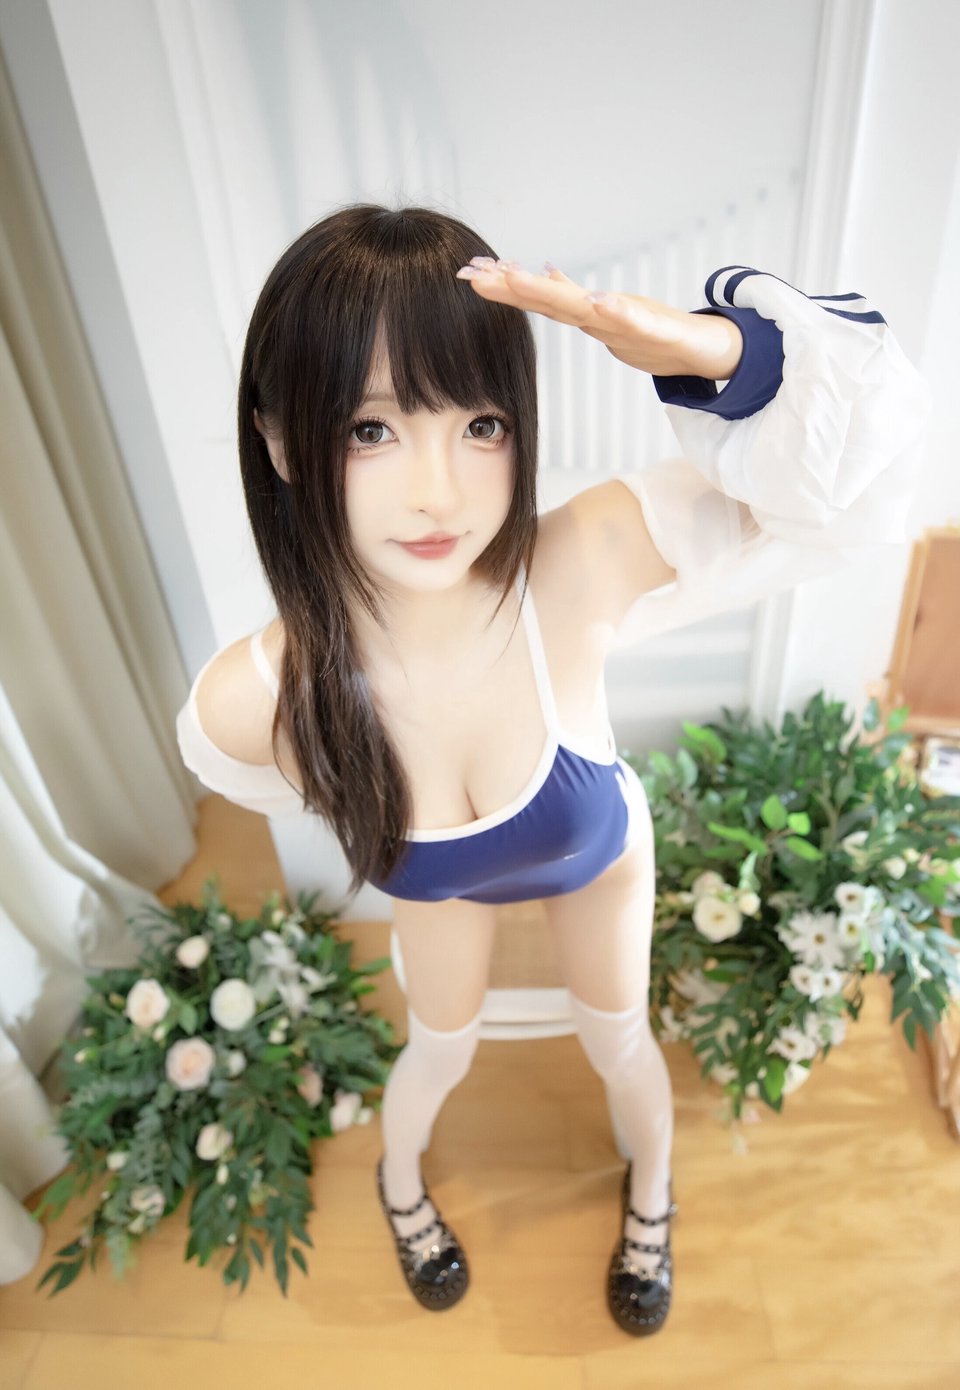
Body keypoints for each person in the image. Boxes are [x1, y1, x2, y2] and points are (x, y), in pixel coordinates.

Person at [175, 203, 931, 1335]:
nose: (438, 492)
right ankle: (399, 1181)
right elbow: (259, 778)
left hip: (597, 859)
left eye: (479, 423)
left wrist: (712, 349)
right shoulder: (256, 701)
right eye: (371, 430)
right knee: (440, 1046)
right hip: (444, 887)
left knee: (618, 1039)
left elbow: (858, 491)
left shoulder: (584, 561)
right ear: (281, 442)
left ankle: (653, 1196)